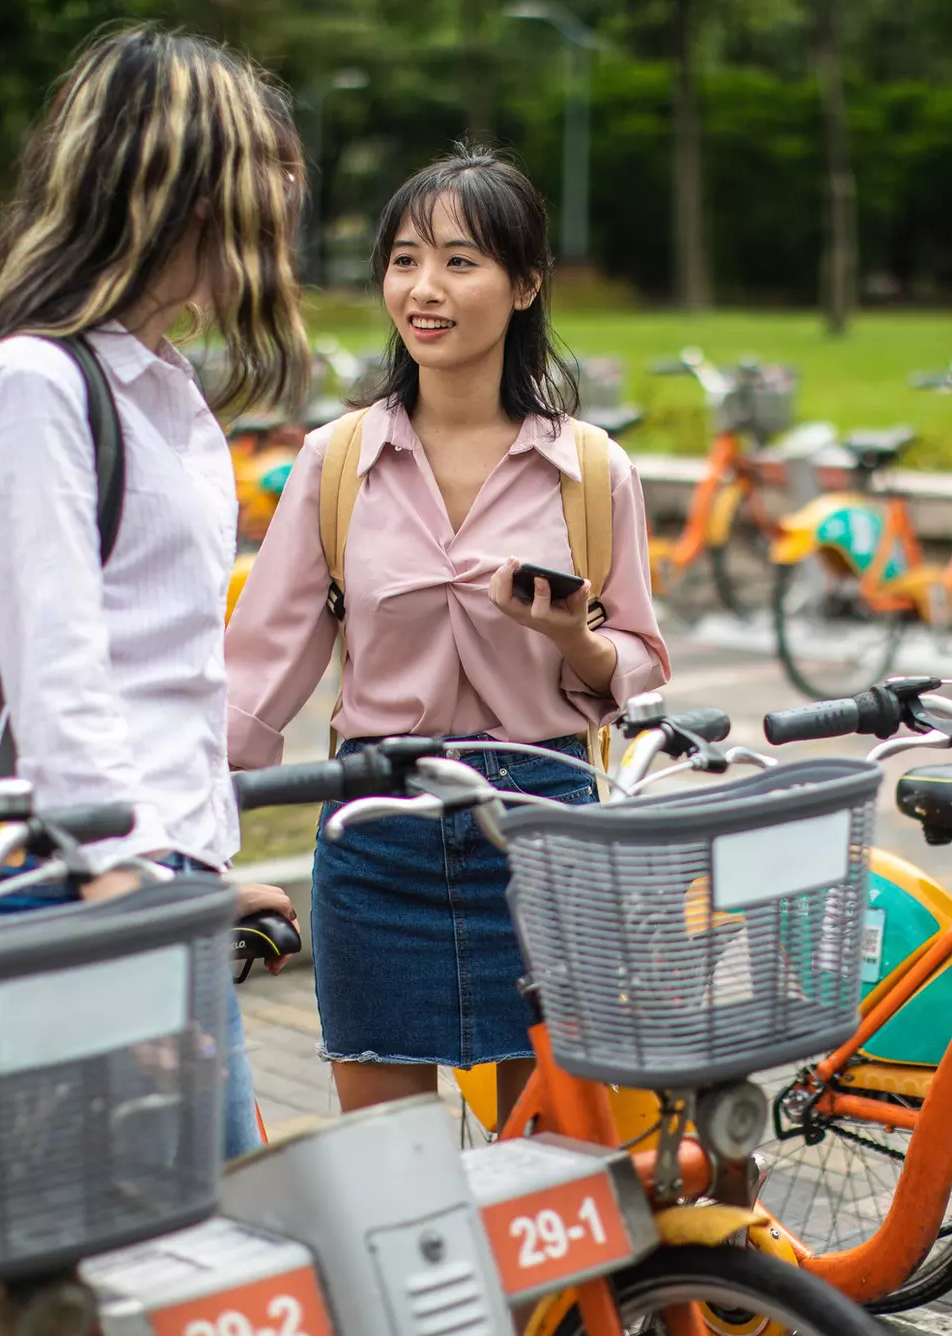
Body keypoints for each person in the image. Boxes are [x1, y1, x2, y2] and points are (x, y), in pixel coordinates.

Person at [0, 23, 310, 1160]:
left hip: (145, 881)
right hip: (75, 890)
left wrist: (197, 871)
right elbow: (60, 674)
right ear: (179, 191)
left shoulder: (162, 385)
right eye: (262, 182)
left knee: (177, 1280)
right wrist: (127, 884)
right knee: (155, 1293)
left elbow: (161, 670)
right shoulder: (37, 384)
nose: (282, 214)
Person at [226, 146, 668, 1118]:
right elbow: (257, 674)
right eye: (403, 259)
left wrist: (574, 640)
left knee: (549, 1180)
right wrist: (195, 838)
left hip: (545, 830)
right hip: (377, 836)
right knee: (392, 1178)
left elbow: (636, 663)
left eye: (460, 261)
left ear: (525, 285)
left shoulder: (590, 471)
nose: (424, 288)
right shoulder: (336, 461)